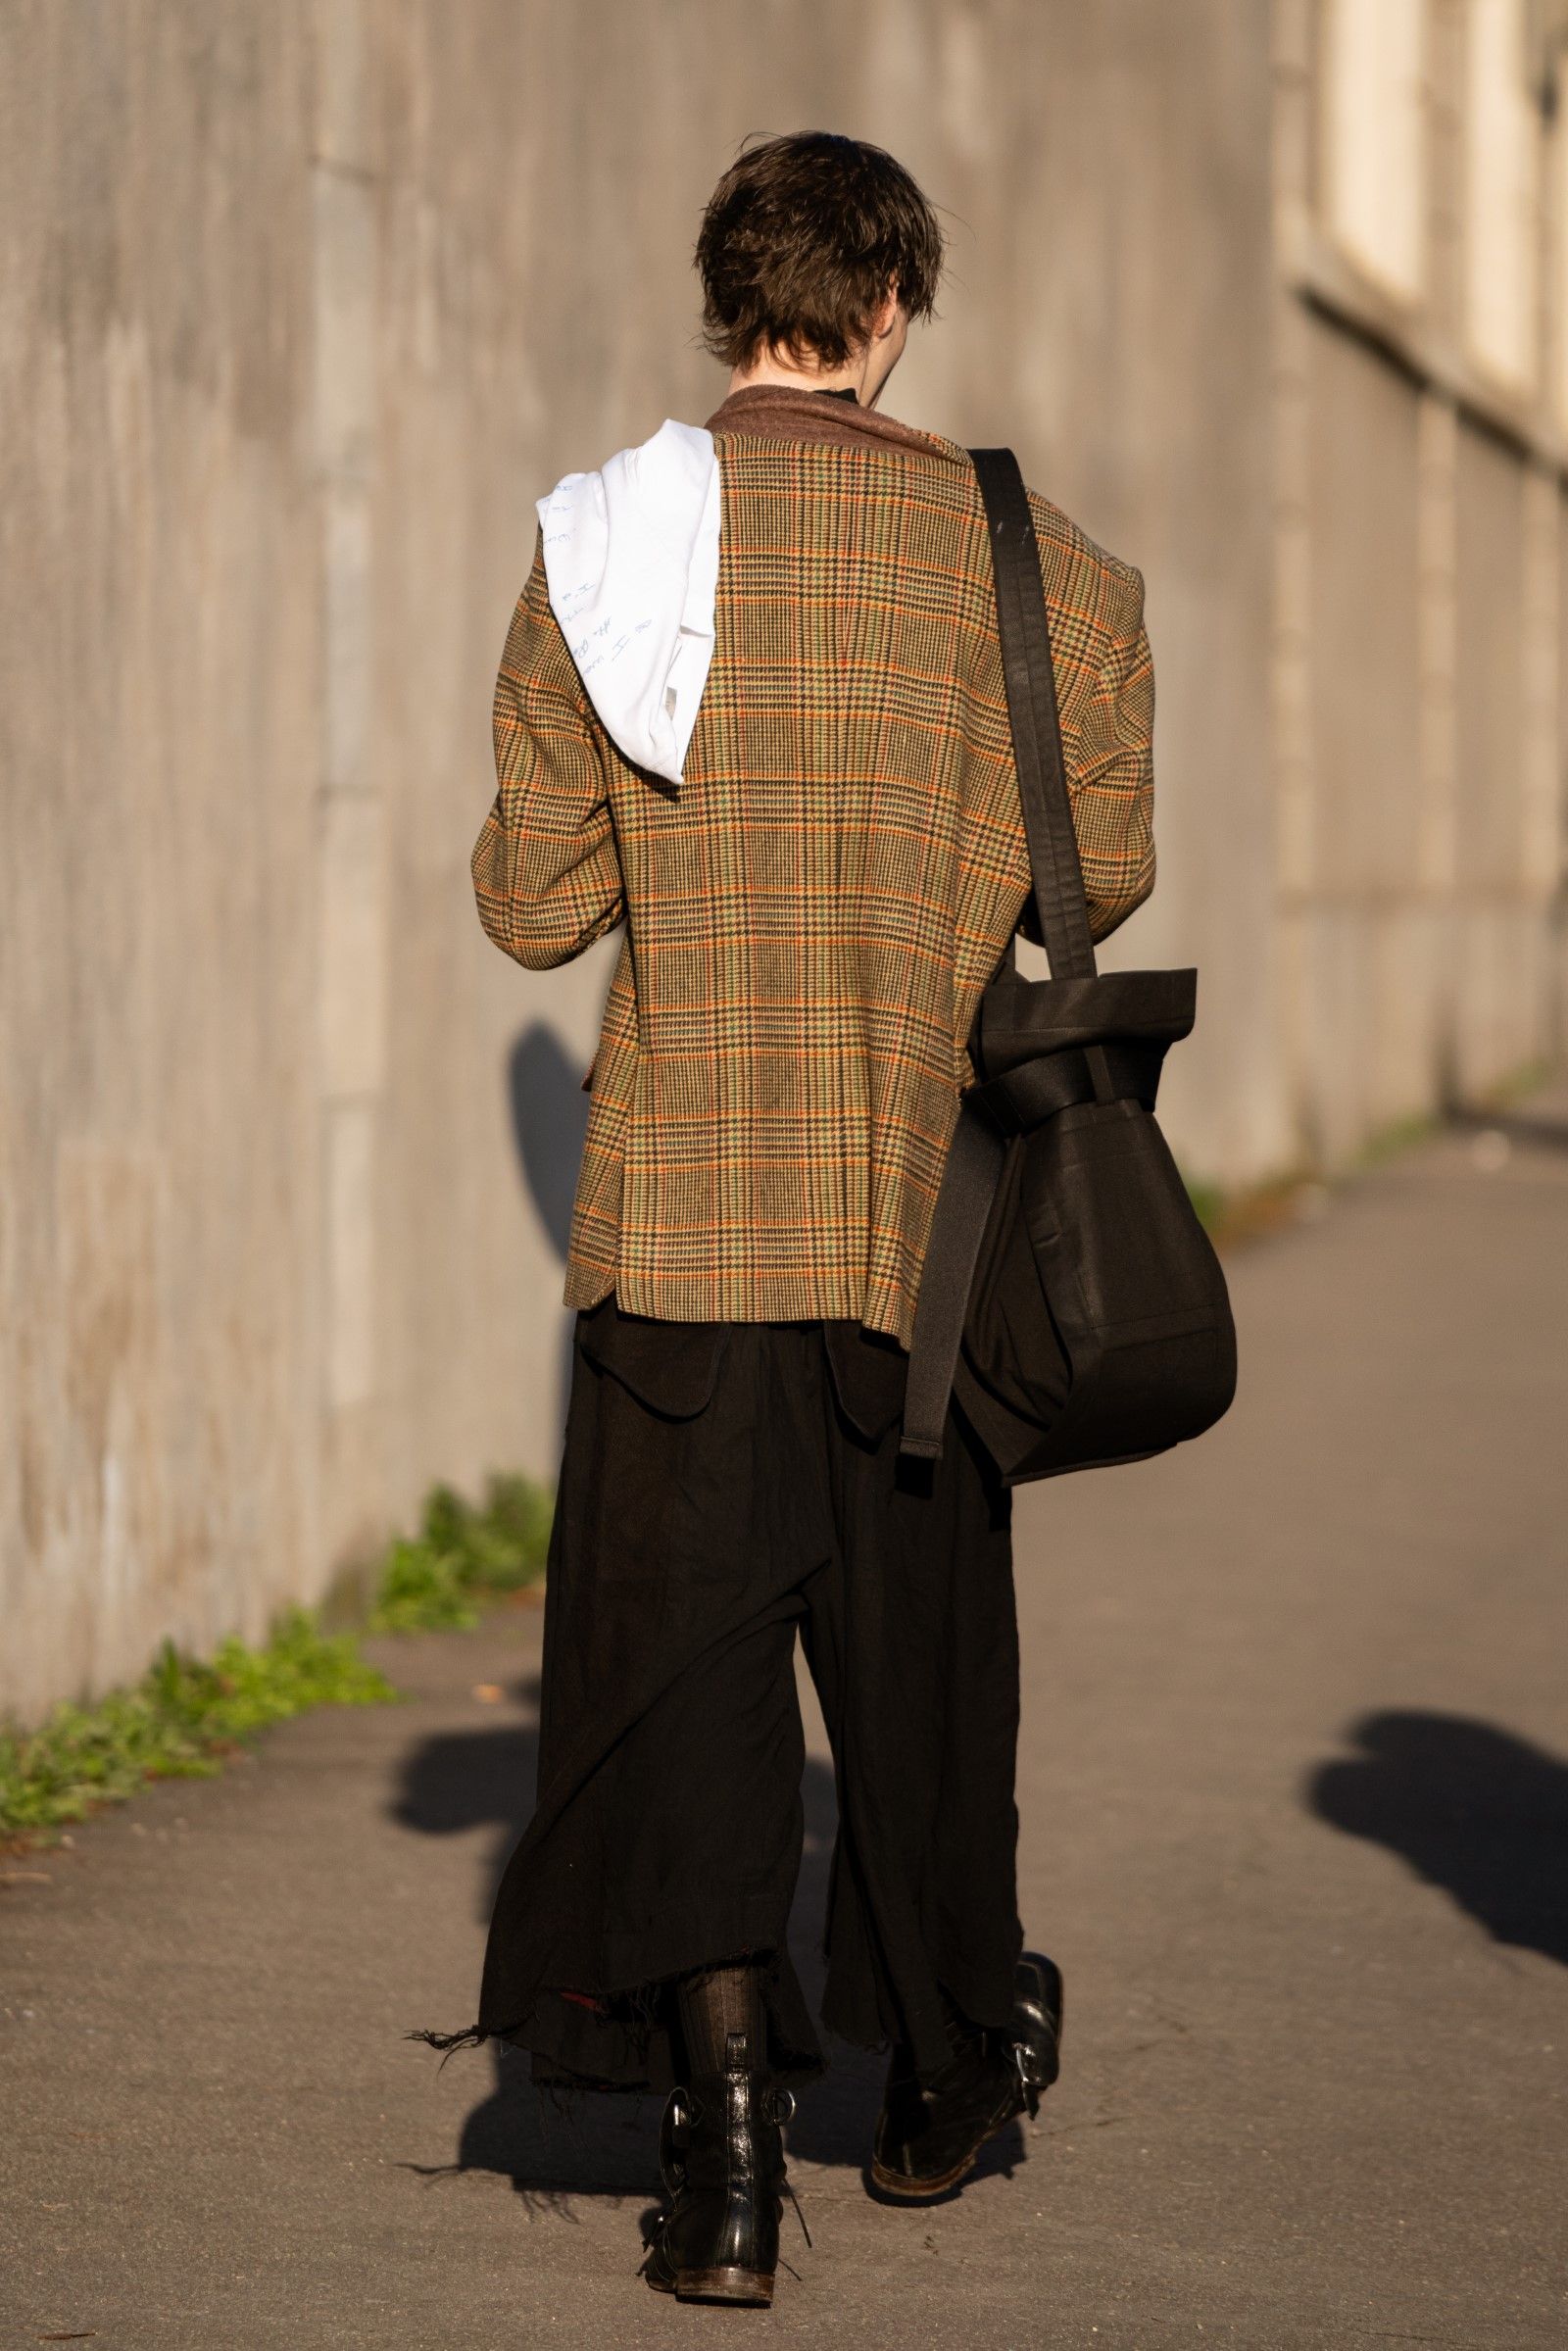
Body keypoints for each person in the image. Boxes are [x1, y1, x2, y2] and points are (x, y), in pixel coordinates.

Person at [452, 130, 1154, 2306]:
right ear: (889, 311)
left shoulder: (601, 549)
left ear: (725, 303)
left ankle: (729, 2160)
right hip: (924, 1233)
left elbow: (533, 906)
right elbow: (1101, 874)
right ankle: (943, 2086)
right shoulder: (1045, 570)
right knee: (924, 1675)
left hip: (680, 1218)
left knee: (683, 1687)